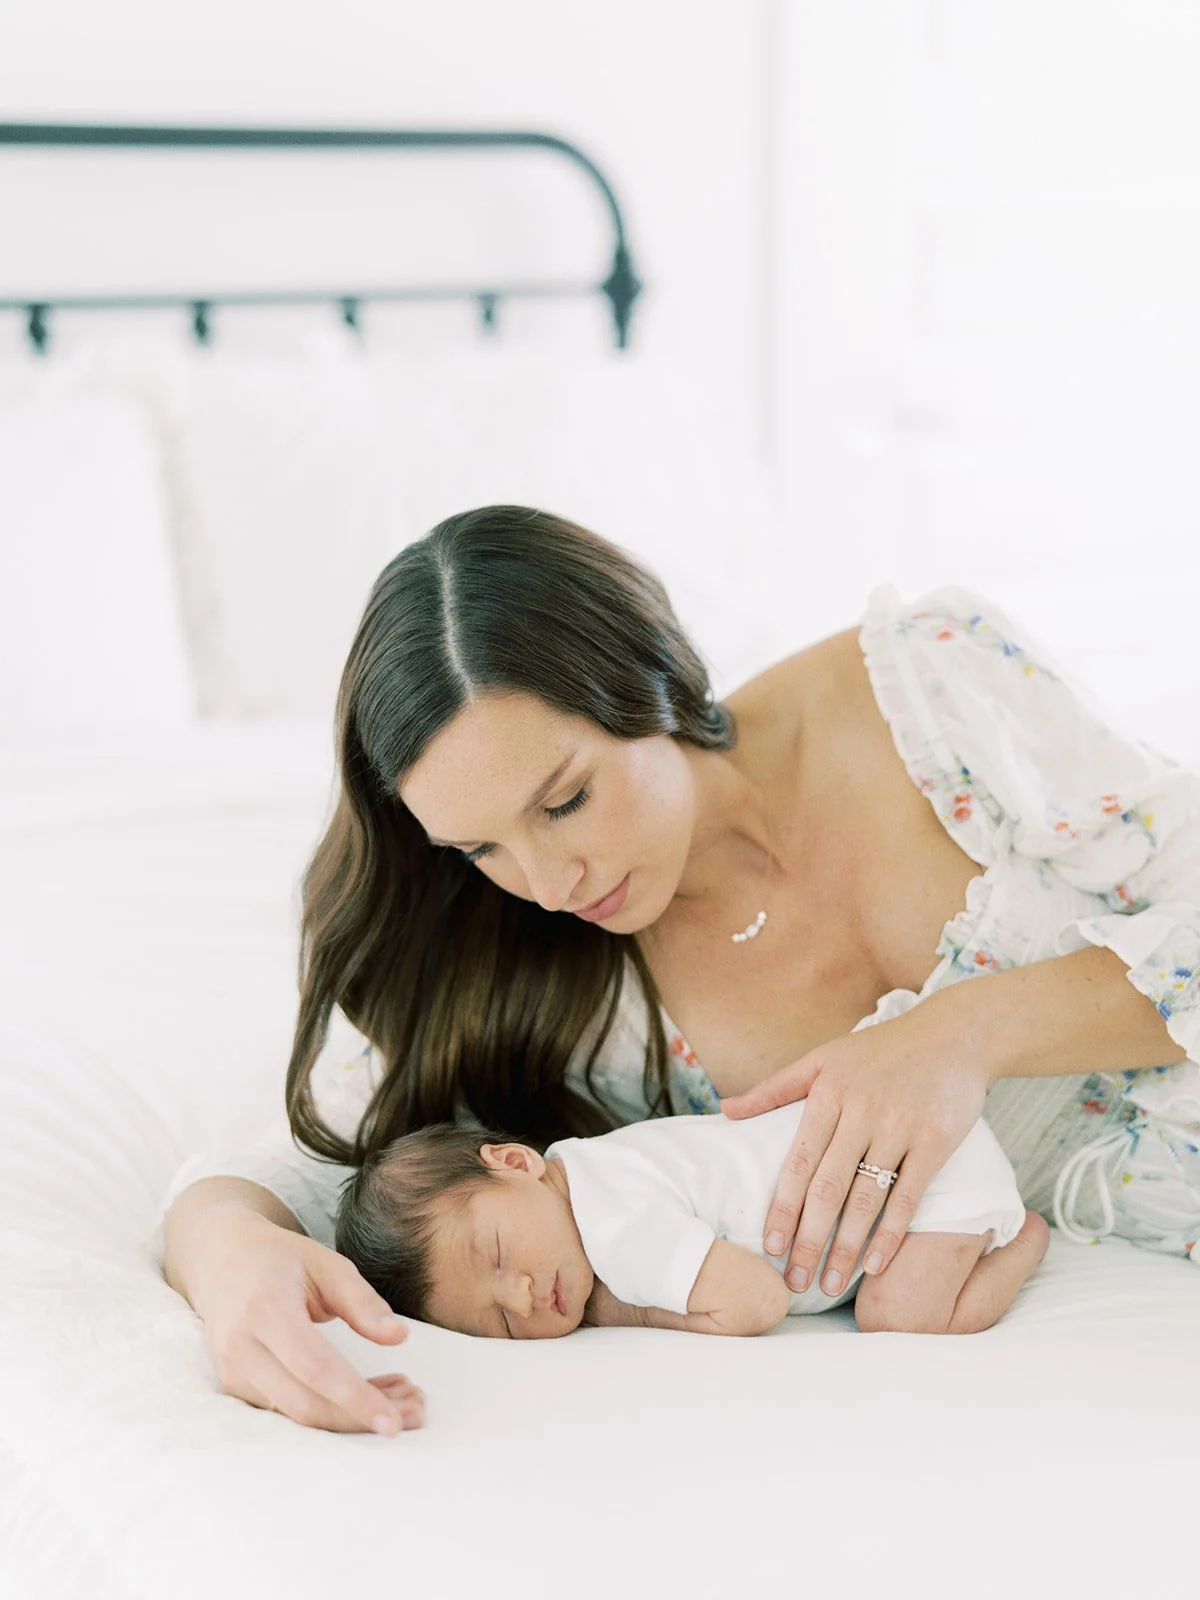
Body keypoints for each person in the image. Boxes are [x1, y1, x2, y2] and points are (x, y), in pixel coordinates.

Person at [161, 505, 1200, 1437]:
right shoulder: (549, 987)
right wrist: (227, 1256)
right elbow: (309, 1170)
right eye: (479, 848)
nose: (547, 882)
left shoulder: (932, 687)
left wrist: (964, 1034)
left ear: (647, 676)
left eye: (564, 801)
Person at [334, 1109, 1045, 1343]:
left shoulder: (613, 1223)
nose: (521, 1297)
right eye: (500, 1324)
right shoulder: (588, 1167)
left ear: (516, 1162)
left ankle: (1026, 1241)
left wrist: (622, 1308)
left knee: (900, 1317)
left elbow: (756, 1301)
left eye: (495, 1254)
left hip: (920, 1172)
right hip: (895, 1156)